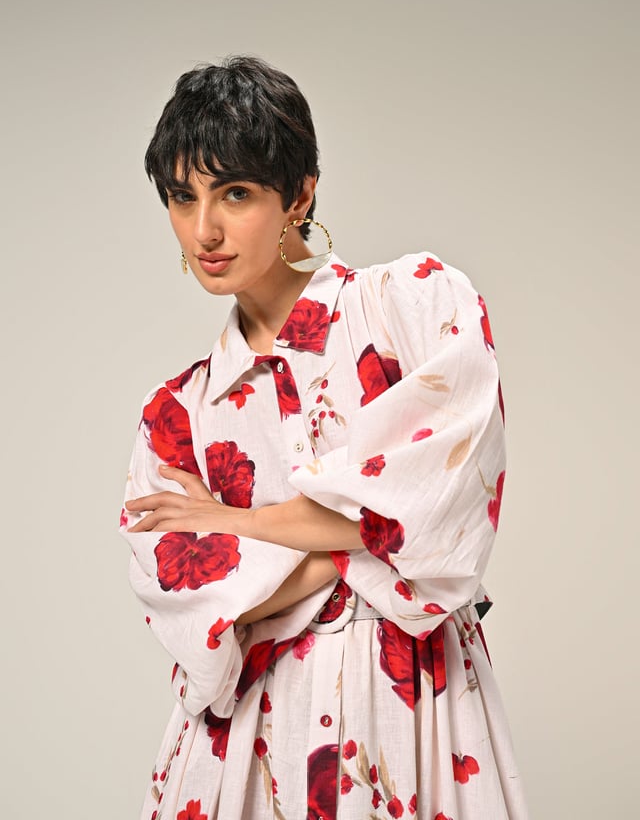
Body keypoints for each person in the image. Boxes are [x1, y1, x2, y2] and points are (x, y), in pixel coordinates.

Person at [121, 56, 528, 820]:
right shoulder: (178, 413)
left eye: (235, 193)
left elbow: (446, 511)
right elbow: (194, 610)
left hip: (404, 711)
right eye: (182, 197)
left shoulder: (412, 309)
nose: (204, 230)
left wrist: (235, 523)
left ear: (300, 193)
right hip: (242, 743)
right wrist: (361, 538)